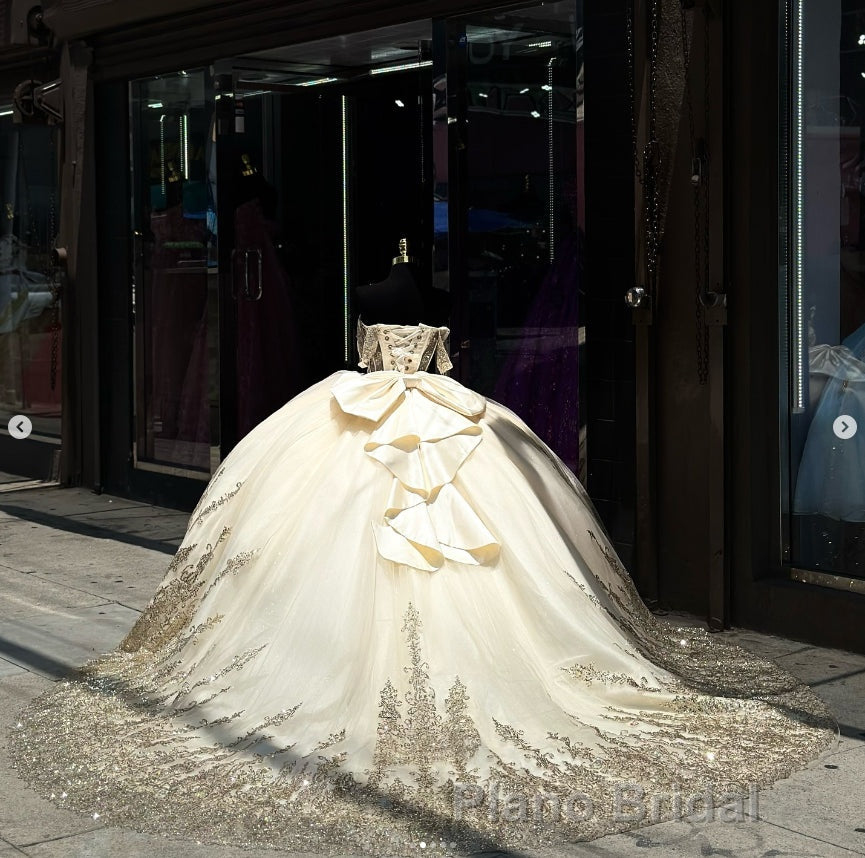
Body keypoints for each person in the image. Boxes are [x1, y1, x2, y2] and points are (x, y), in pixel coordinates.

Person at [12, 249, 834, 856]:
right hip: (369, 423)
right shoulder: (383, 302)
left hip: (438, 420)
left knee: (488, 543)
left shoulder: (403, 297)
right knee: (330, 537)